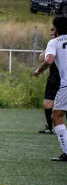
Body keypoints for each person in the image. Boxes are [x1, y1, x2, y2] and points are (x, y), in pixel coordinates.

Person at [33, 16, 67, 162]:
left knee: (56, 116)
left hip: (66, 85)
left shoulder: (54, 42)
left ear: (57, 28)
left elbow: (49, 60)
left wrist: (39, 71)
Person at [33, 27, 60, 134]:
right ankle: (49, 128)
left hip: (63, 78)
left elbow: (48, 61)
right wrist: (48, 47)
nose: (52, 37)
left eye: (54, 35)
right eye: (51, 35)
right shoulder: (51, 44)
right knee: (47, 103)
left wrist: (39, 71)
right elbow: (41, 58)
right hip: (53, 78)